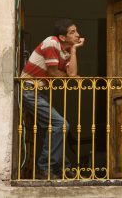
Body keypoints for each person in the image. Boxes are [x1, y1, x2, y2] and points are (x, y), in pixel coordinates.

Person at [21, 18, 85, 179]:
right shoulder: (51, 43)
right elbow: (53, 73)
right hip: (29, 89)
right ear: (62, 37)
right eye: (72, 32)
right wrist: (73, 78)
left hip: (39, 92)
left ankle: (61, 167)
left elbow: (71, 74)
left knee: (51, 130)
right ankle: (44, 168)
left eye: (77, 31)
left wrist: (74, 50)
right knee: (61, 124)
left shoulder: (65, 51)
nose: (77, 35)